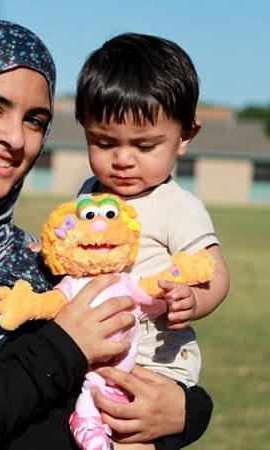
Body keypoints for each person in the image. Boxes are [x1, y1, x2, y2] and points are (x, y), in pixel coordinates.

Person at [0, 19, 212, 450]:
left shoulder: (31, 255)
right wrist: (62, 349)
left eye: (35, 120)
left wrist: (187, 411)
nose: (15, 138)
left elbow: (87, 399)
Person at [73, 32, 230, 447]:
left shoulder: (176, 205)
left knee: (129, 438)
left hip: (154, 364)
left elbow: (215, 271)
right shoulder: (90, 192)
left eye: (144, 145)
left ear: (184, 137)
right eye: (103, 142)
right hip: (98, 356)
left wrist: (193, 300)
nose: (122, 159)